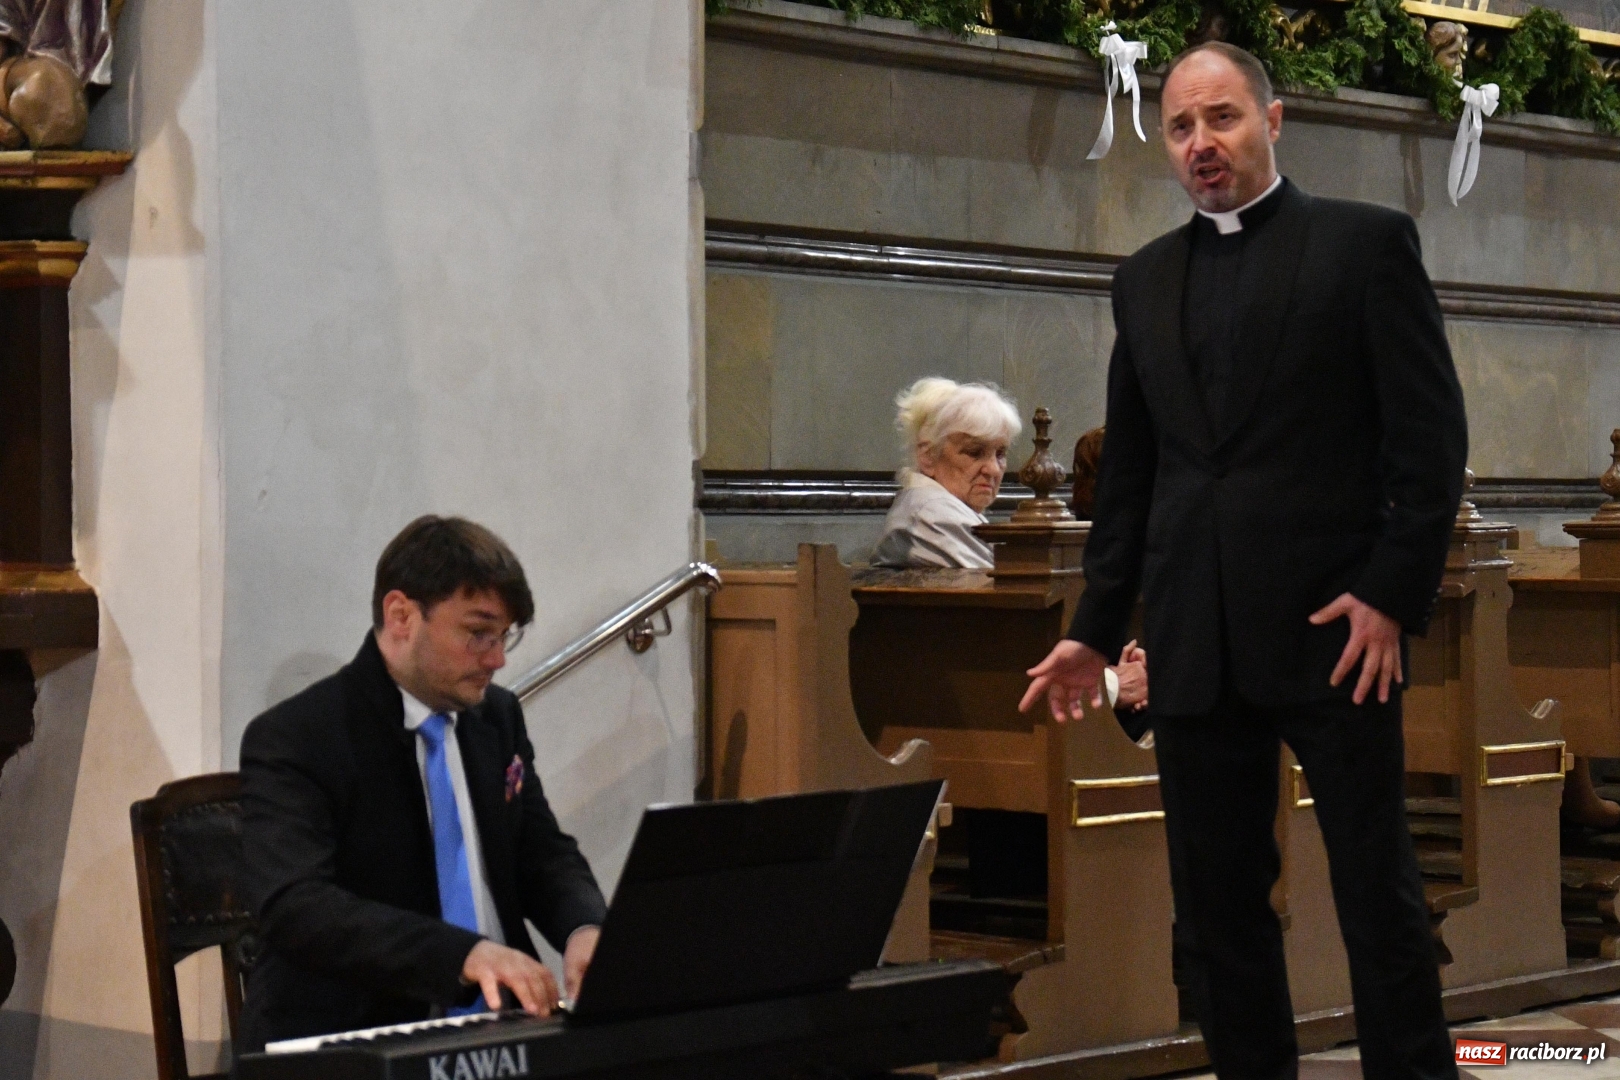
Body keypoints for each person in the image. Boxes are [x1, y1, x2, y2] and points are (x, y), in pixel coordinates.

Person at [1019, 42, 1467, 1080]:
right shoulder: (1145, 279)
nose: (1201, 145)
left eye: (1221, 119)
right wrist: (1093, 629)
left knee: (1376, 894)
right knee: (1217, 911)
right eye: (1180, 128)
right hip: (1194, 641)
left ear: (1275, 117)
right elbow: (1131, 480)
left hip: (1337, 632)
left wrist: (1392, 596)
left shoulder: (1364, 248)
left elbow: (1428, 444)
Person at [238, 516, 607, 1052]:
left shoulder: (495, 718)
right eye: (478, 633)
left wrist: (585, 930)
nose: (498, 659)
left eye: (504, 636)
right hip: (365, 1028)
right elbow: (298, 905)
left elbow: (541, 852)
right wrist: (461, 955)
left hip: (504, 1025)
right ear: (401, 615)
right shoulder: (297, 736)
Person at [873, 377, 1148, 715]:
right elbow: (1012, 628)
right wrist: (1113, 681)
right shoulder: (933, 514)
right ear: (928, 456)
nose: (993, 469)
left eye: (1000, 453)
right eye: (974, 453)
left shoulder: (940, 507)